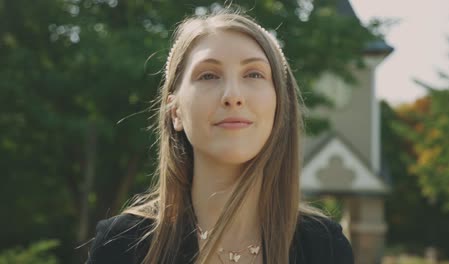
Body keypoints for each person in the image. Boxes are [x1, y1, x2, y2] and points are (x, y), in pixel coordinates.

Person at [86, 9, 354, 264]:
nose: (233, 96)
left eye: (254, 74)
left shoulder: (324, 247)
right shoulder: (121, 244)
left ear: (279, 105)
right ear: (175, 111)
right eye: (208, 76)